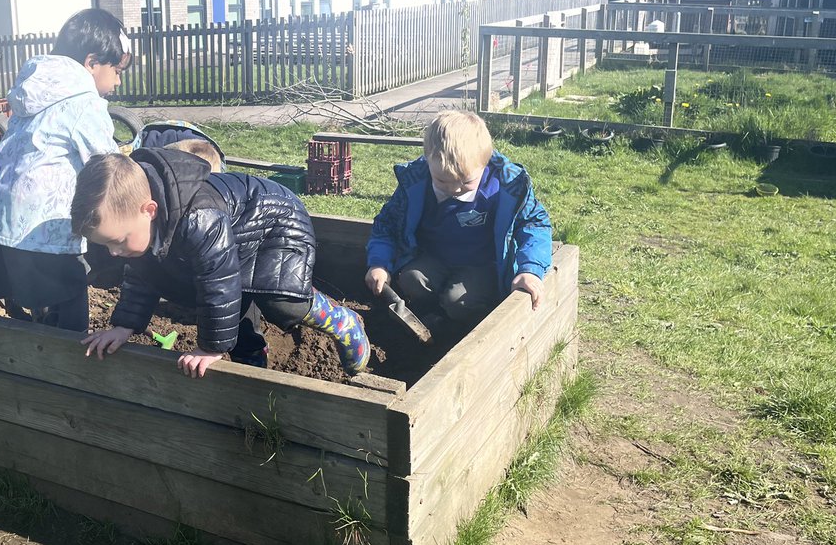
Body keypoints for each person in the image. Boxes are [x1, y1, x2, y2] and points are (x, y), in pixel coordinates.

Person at [70, 148, 371, 379]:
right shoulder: (143, 224)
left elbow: (220, 283)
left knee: (282, 304)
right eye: (106, 244)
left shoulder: (198, 218)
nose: (114, 252)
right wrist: (125, 326)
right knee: (196, 288)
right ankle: (252, 363)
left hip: (277, 222)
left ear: (148, 210)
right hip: (235, 238)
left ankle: (343, 321)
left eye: (119, 240)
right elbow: (144, 275)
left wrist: (210, 347)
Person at [0, 8, 131, 331]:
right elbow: (107, 163)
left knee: (29, 310)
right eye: (116, 70)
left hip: (2, 224)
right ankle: (65, 373)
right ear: (91, 63)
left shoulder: (33, 91)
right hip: (44, 230)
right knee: (69, 309)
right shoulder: (83, 102)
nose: (117, 82)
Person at [364, 110, 551, 332]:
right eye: (442, 180)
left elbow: (534, 224)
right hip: (434, 258)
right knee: (411, 279)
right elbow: (387, 225)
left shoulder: (507, 187)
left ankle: (464, 328)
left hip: (481, 265)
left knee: (458, 301)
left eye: (465, 182)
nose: (453, 189)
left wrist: (530, 269)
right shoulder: (415, 183)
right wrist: (379, 263)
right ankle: (432, 316)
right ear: (428, 161)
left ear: (485, 163)